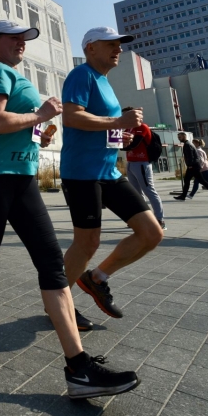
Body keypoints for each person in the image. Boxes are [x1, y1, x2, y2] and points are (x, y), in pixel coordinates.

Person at [0, 20, 140, 399]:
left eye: (25, 39)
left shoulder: (15, 75)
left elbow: (19, 125)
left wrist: (39, 133)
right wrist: (42, 115)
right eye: (14, 37)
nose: (21, 43)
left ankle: (78, 368)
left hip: (22, 178)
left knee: (52, 265)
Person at [61, 27, 164, 326]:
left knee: (152, 233)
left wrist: (120, 138)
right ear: (90, 48)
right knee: (87, 243)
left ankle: (96, 278)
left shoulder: (105, 81)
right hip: (82, 173)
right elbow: (71, 116)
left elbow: (101, 126)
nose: (118, 49)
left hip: (109, 171)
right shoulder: (81, 75)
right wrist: (118, 121)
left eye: (119, 45)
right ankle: (58, 304)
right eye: (111, 44)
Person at [122, 108, 166, 230]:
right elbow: (122, 142)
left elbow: (133, 144)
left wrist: (117, 144)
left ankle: (159, 219)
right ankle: (141, 219)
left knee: (149, 191)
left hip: (141, 163)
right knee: (136, 193)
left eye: (126, 115)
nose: (124, 117)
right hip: (131, 162)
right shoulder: (128, 129)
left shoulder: (142, 127)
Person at [174, 132, 204, 201]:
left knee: (202, 181)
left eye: (180, 137)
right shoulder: (188, 144)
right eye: (178, 137)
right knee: (187, 180)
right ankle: (183, 196)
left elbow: (190, 156)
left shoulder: (187, 144)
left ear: (184, 136)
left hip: (193, 166)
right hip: (193, 165)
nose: (179, 138)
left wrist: (190, 165)